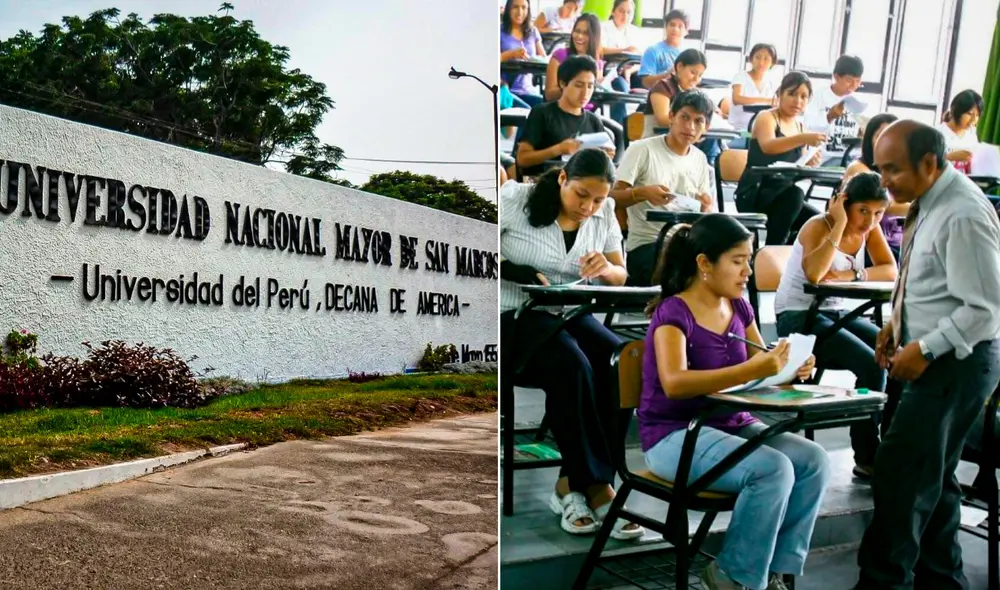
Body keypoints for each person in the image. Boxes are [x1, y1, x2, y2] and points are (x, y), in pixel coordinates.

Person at [640, 214, 825, 590]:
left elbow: (759, 371)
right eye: (738, 261)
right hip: (674, 435)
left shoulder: (739, 308)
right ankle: (733, 577)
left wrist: (789, 368)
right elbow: (674, 383)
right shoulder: (673, 313)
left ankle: (773, 570)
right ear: (704, 264)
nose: (748, 271)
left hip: (731, 425)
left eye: (750, 260)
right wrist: (754, 369)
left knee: (812, 461)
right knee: (773, 469)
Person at [854, 121, 1000, 590]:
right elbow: (930, 281)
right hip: (937, 354)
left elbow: (987, 309)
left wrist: (925, 346)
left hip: (956, 362)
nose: (885, 181)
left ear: (930, 162)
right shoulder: (930, 202)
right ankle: (942, 581)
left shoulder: (962, 214)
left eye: (893, 169)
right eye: (880, 168)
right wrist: (896, 324)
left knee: (900, 476)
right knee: (932, 481)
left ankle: (882, 583)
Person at [500, 148, 644, 540]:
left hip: (568, 314)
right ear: (563, 178)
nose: (589, 206)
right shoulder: (515, 199)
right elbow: (471, 248)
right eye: (582, 194)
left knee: (620, 359)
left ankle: (569, 484)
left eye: (597, 199)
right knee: (571, 363)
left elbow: (621, 275)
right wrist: (515, 270)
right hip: (511, 315)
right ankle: (597, 487)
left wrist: (606, 268)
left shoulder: (603, 212)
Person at [774, 172, 898, 478]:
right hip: (798, 315)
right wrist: (839, 222)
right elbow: (815, 275)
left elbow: (890, 269)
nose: (870, 221)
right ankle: (867, 453)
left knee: (892, 352)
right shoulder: (818, 226)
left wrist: (852, 275)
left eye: (879, 213)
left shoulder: (869, 230)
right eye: (863, 211)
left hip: (832, 312)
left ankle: (891, 443)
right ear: (846, 204)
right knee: (873, 363)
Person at [612, 89, 715, 285]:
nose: (690, 127)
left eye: (698, 121)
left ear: (706, 127)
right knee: (689, 276)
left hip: (685, 243)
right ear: (671, 116)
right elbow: (611, 197)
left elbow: (701, 211)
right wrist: (642, 193)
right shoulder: (642, 149)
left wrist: (705, 208)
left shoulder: (700, 159)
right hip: (647, 245)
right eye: (684, 117)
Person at [734, 71, 826, 246]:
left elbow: (796, 168)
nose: (798, 101)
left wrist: (810, 162)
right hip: (755, 191)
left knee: (819, 222)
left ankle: (783, 255)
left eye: (804, 97)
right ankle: (771, 253)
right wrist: (803, 138)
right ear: (780, 94)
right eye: (792, 94)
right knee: (795, 196)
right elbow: (768, 146)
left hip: (783, 195)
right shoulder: (767, 117)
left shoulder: (800, 126)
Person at [516, 55, 614, 180]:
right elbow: (522, 159)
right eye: (578, 85)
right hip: (544, 183)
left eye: (590, 86)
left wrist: (606, 157)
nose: (585, 93)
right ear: (562, 83)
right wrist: (558, 149)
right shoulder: (542, 113)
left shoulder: (593, 121)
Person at [641, 49, 721, 165]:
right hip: (658, 140)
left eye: (700, 75)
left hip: (683, 141)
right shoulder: (663, 87)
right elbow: (663, 119)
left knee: (711, 142)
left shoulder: (694, 93)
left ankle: (708, 173)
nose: (696, 79)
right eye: (693, 72)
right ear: (679, 66)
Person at [845, 113, 907, 261]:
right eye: (880, 136)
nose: (887, 142)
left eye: (893, 137)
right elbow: (886, 204)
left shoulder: (901, 171)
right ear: (869, 140)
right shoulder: (858, 168)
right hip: (865, 237)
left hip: (896, 238)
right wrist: (922, 207)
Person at [803, 55, 864, 151]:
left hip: (848, 157)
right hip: (822, 157)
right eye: (849, 80)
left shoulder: (859, 101)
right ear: (836, 77)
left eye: (858, 81)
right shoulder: (819, 96)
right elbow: (807, 128)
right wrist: (829, 117)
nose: (854, 85)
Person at [544, 14, 604, 102]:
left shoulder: (598, 63)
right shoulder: (560, 56)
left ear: (594, 37)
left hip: (588, 112)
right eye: (577, 31)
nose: (579, 36)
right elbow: (549, 95)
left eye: (585, 33)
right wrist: (571, 87)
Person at [601, 0, 643, 124]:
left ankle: (638, 128)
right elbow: (600, 49)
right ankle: (619, 130)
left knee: (653, 87)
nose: (625, 16)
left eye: (629, 12)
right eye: (621, 11)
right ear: (613, 11)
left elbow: (641, 59)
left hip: (630, 71)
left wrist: (629, 71)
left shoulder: (635, 31)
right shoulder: (603, 27)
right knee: (622, 90)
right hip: (609, 71)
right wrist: (624, 50)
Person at [500, 0, 547, 108]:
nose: (520, 12)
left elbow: (543, 59)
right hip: (506, 90)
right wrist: (511, 54)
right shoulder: (499, 31)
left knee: (549, 109)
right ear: (508, 9)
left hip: (528, 90)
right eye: (515, 7)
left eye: (524, 7)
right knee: (528, 112)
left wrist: (532, 59)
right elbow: (492, 61)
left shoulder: (533, 31)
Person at [729, 44, 778, 138]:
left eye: (766, 59)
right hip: (739, 128)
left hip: (762, 129)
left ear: (772, 62)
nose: (761, 62)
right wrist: (766, 100)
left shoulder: (770, 82)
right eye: (758, 57)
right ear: (751, 59)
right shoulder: (741, 76)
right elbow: (737, 99)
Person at [638, 9, 688, 89]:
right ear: (666, 27)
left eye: (680, 26)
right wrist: (667, 75)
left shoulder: (688, 54)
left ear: (686, 31)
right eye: (672, 25)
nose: (675, 29)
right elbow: (646, 82)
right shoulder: (653, 51)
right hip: (659, 96)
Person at [938, 89, 984, 172]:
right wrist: (949, 157)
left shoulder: (972, 135)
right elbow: (926, 164)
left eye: (977, 115)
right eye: (970, 114)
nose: (973, 119)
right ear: (956, 111)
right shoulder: (938, 133)